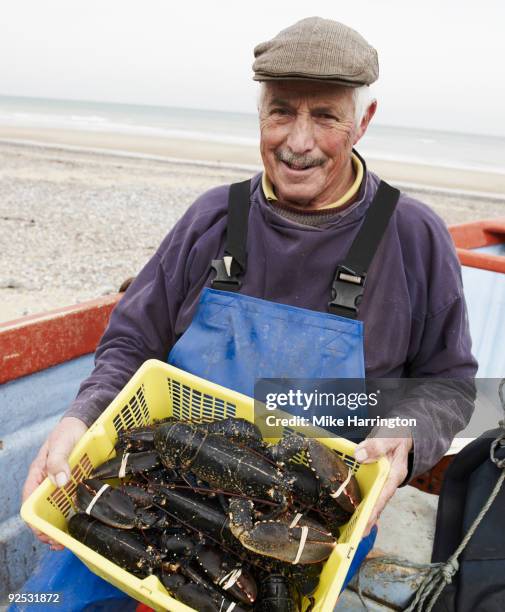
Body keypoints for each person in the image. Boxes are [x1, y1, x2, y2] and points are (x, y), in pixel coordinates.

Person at [21, 15, 477, 604]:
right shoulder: (213, 217)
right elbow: (133, 341)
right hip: (165, 484)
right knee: (41, 604)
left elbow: (449, 382)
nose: (298, 141)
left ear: (363, 121)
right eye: (282, 110)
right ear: (260, 113)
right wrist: (81, 416)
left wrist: (408, 434)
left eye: (326, 116)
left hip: (313, 512)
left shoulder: (413, 236)